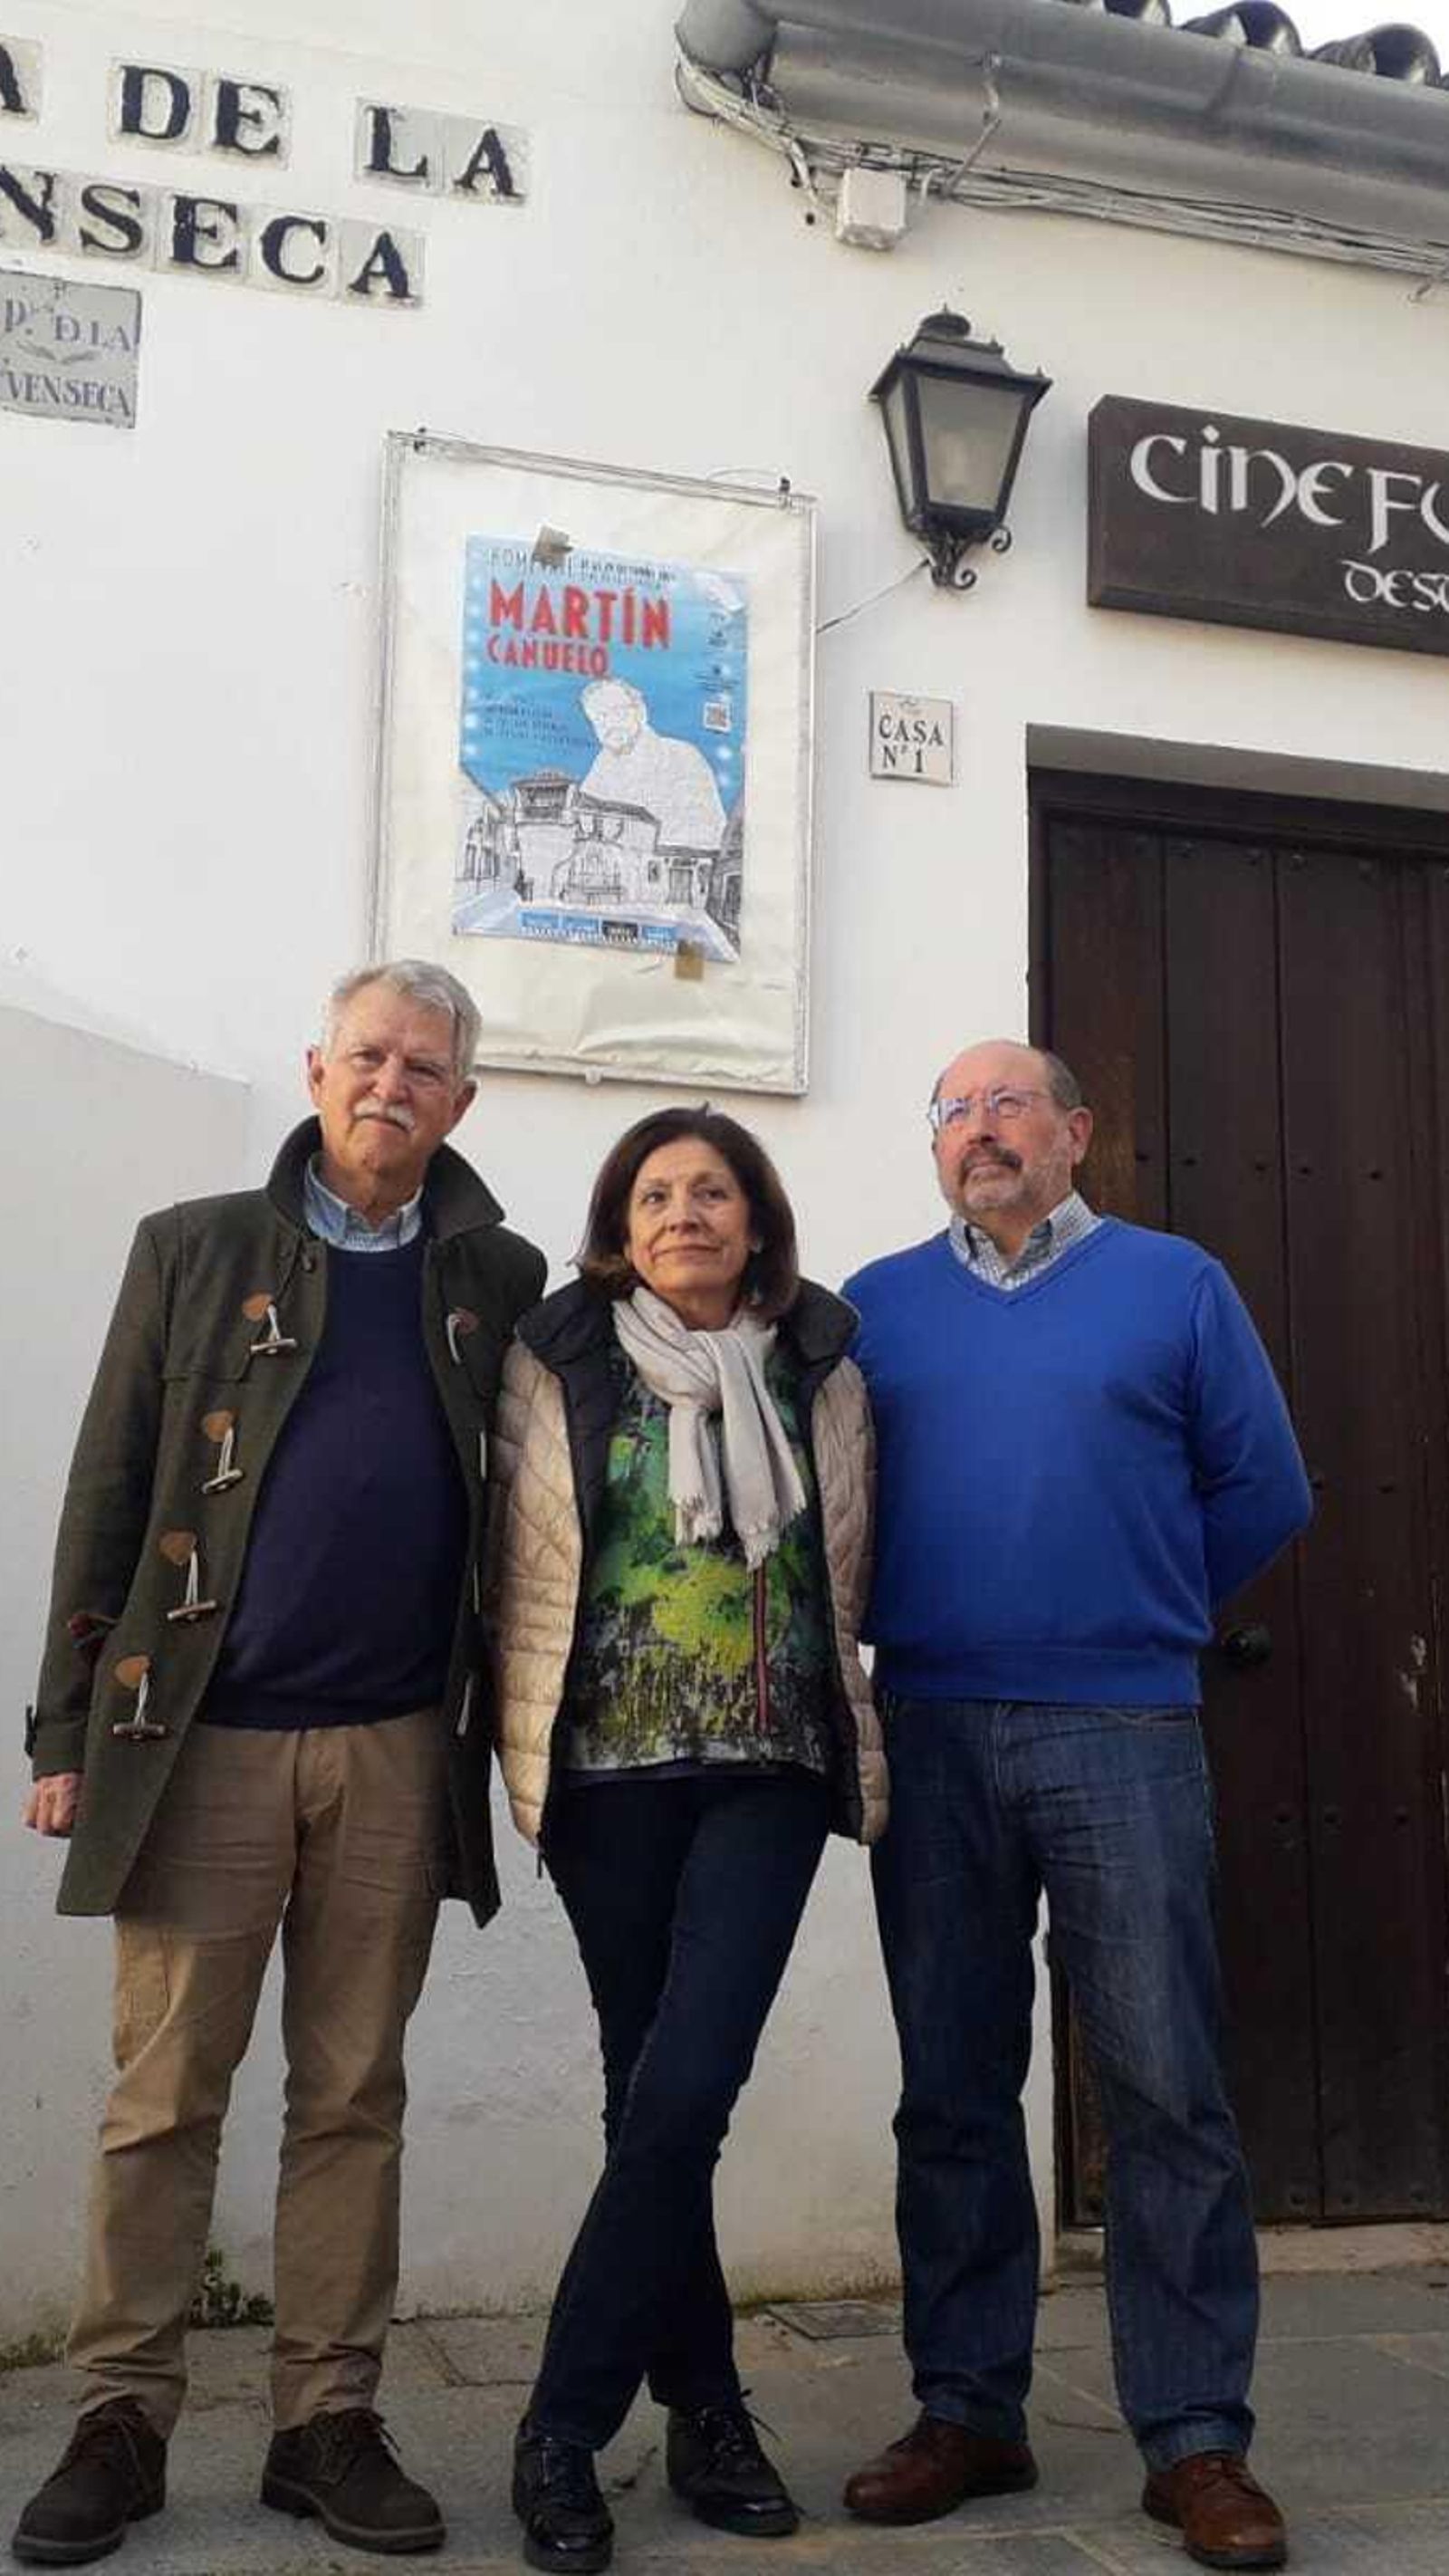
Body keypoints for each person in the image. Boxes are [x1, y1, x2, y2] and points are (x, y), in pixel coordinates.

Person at [15, 960, 544, 2567]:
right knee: (162, 2094)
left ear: (462, 1098)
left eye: (426, 1063)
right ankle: (121, 2415)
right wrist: (61, 1730)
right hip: (201, 1748)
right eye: (369, 1052)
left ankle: (325, 2415)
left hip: (397, 1745)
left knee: (353, 2095)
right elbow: (107, 1481)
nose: (393, 1081)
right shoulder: (195, 1248)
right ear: (318, 1067)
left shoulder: (496, 1271)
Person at [841, 1038, 1310, 2575]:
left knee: (1167, 2080)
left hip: (1125, 1718)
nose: (980, 1131)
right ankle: (970, 2406)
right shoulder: (877, 1303)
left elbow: (1264, 1486)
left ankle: (1195, 2437)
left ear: (1076, 1131)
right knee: (954, 2081)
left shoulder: (1179, 1284)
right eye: (954, 1110)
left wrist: (1137, 1600)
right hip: (932, 1720)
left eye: (1009, 1104)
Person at [487, 1106, 885, 2575]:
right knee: (645, 2097)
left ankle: (559, 2425)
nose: (685, 1211)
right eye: (656, 1191)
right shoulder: (560, 1356)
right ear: (621, 1218)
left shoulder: (821, 1363)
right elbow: (510, 1554)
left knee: (688, 2086)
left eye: (713, 1188)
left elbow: (862, 1549)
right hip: (604, 1775)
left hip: (769, 1770)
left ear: (757, 1216)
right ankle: (709, 2405)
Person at [579, 678, 727, 851]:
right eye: (600, 718)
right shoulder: (601, 765)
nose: (610, 724)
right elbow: (584, 820)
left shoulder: (682, 757)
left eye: (618, 713)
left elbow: (706, 831)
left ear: (641, 713)